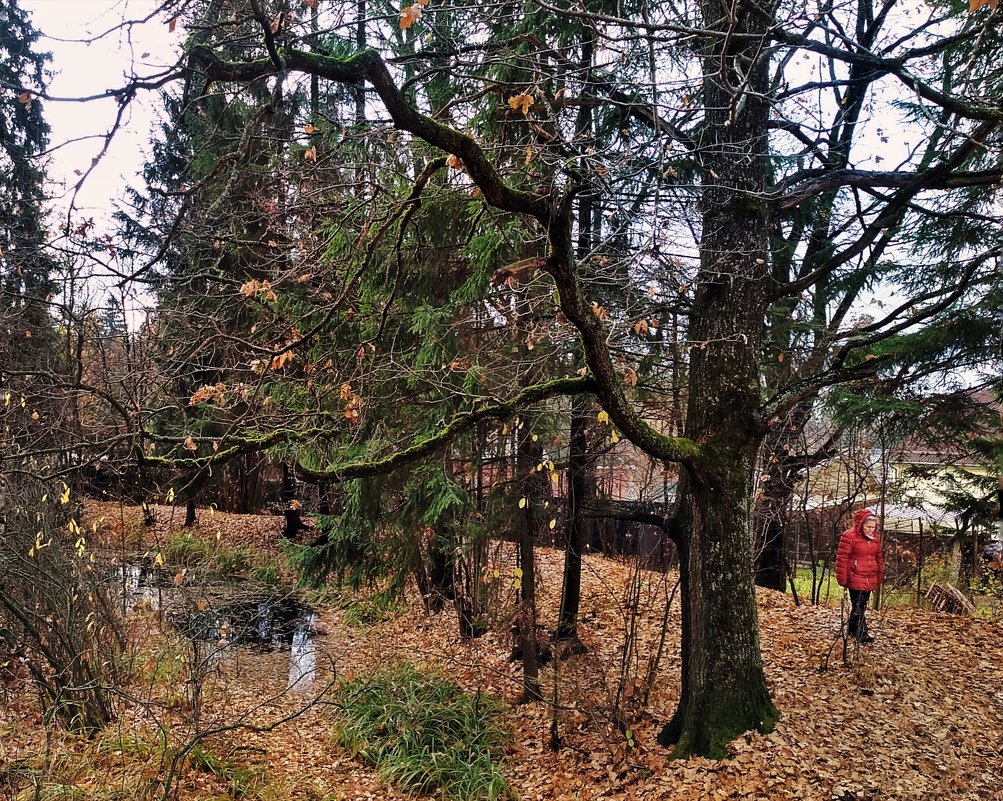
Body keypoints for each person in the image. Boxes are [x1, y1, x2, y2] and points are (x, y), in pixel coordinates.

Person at [835, 508, 884, 643]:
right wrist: (842, 578)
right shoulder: (849, 536)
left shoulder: (875, 538)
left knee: (861, 605)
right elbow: (842, 558)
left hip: (869, 577)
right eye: (868, 526)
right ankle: (861, 633)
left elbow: (878, 557)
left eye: (873, 527)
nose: (871, 530)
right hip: (855, 576)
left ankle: (851, 628)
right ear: (861, 524)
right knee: (859, 605)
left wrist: (879, 575)